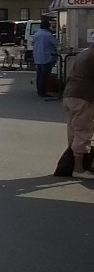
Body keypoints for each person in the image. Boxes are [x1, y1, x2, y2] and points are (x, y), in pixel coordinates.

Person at [63, 45, 94, 180]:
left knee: (74, 131)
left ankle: (71, 164)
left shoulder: (86, 52)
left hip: (71, 94)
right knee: (83, 131)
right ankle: (78, 169)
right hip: (83, 96)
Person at [31, 18, 59, 98]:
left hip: (38, 57)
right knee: (45, 76)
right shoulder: (48, 35)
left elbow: (33, 44)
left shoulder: (36, 34)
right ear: (48, 26)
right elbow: (56, 43)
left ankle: (39, 90)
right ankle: (43, 92)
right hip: (47, 57)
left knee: (39, 75)